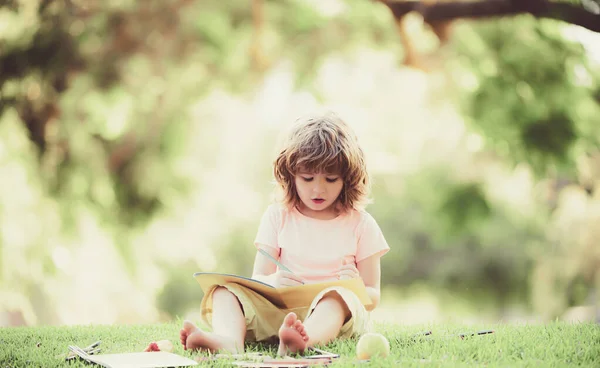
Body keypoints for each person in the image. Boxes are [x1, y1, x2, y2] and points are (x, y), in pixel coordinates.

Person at [180, 112, 389, 356]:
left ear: (347, 179)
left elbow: (373, 295)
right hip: (281, 312)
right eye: (308, 178)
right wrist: (272, 282)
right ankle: (228, 341)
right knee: (223, 290)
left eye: (331, 179)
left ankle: (303, 340)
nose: (318, 188)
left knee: (336, 297)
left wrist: (355, 287)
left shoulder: (361, 224)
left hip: (335, 317)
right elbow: (259, 277)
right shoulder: (278, 216)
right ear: (290, 176)